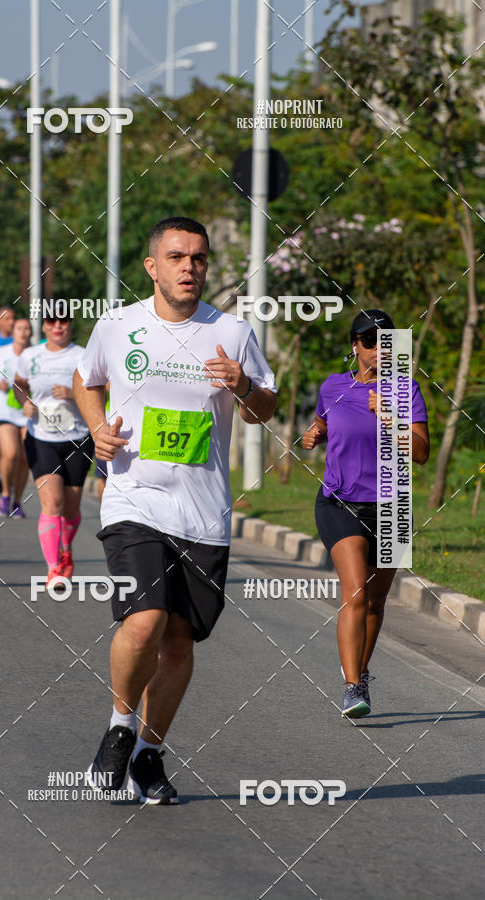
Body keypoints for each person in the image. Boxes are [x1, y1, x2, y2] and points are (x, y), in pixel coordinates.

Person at [74, 216, 277, 804]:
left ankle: (148, 753)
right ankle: (119, 728)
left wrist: (242, 385)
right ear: (152, 267)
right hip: (134, 499)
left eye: (199, 258)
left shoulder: (233, 333)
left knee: (179, 642)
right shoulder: (116, 326)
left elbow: (261, 410)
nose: (190, 267)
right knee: (144, 618)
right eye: (178, 256)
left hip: (204, 510)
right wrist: (96, 431)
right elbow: (88, 381)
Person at [301, 309, 429, 717]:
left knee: (376, 603)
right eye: (369, 340)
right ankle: (352, 686)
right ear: (355, 345)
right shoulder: (333, 387)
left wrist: (387, 417)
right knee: (355, 593)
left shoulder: (406, 390)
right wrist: (313, 435)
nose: (378, 348)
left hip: (392, 505)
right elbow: (320, 425)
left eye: (386, 341)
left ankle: (362, 671)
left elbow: (422, 452)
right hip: (340, 501)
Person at [14, 306, 93, 584]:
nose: (58, 325)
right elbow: (19, 384)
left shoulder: (83, 355)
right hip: (41, 437)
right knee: (53, 502)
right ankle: (53, 569)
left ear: (70, 324)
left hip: (77, 439)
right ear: (44, 325)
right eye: (52, 321)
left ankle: (66, 549)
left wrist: (74, 394)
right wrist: (24, 401)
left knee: (70, 508)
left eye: (64, 320)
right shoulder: (30, 356)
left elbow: (99, 390)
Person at [0, 317, 32, 518]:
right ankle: (5, 494)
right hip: (4, 410)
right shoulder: (0, 353)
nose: (23, 332)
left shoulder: (34, 355)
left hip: (27, 411)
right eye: (19, 328)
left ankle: (17, 501)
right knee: (11, 453)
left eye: (27, 329)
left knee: (25, 458)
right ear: (13, 332)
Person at [0, 306, 16, 495]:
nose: (11, 322)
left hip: (14, 399)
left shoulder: (20, 341)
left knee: (12, 444)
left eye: (13, 318)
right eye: (7, 319)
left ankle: (7, 474)